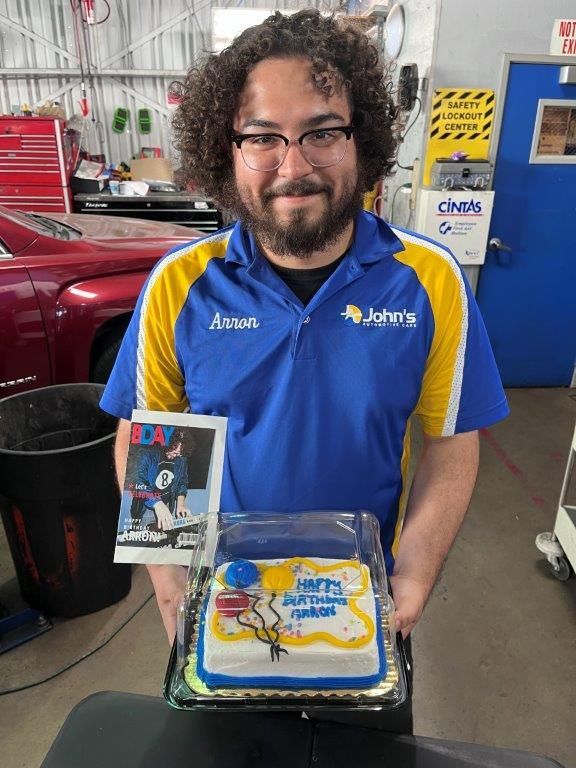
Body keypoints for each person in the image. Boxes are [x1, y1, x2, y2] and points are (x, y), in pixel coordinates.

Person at [100, 10, 508, 732]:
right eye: (263, 137)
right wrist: (174, 603)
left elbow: (450, 444)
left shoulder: (431, 281)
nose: (295, 165)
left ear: (364, 140)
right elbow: (151, 443)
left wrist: (408, 587)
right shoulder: (179, 285)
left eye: (322, 132)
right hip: (224, 607)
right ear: (226, 149)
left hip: (361, 616)